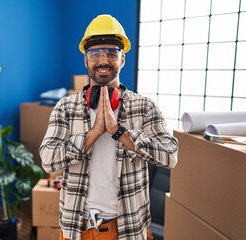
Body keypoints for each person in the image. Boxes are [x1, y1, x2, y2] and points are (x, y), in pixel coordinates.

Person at [39, 14, 178, 240]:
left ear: (122, 60)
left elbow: (170, 155)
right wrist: (92, 134)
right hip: (76, 229)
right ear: (85, 60)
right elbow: (48, 160)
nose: (103, 60)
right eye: (95, 54)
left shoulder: (144, 107)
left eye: (112, 53)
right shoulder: (65, 108)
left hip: (128, 230)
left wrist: (120, 133)